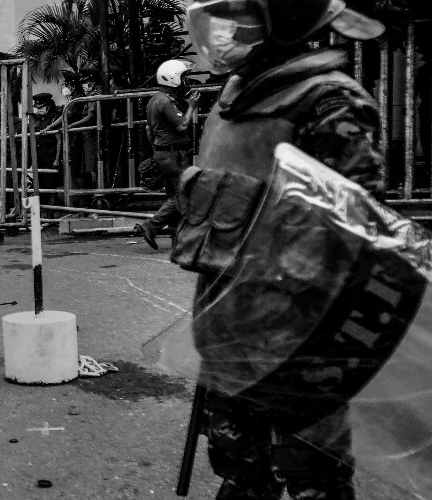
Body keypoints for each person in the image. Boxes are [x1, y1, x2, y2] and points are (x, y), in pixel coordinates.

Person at [180, 0, 387, 498]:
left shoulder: (328, 102)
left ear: (286, 21)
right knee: (239, 466)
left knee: (311, 472)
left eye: (239, 18)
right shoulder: (234, 96)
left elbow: (353, 229)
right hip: (228, 321)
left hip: (297, 333)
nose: (223, 32)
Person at [134, 60, 201, 250]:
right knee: (182, 194)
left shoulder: (155, 99)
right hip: (173, 155)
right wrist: (192, 106)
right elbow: (182, 125)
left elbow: (149, 130)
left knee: (174, 194)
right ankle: (150, 226)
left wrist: (157, 151)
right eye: (183, 78)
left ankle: (176, 237)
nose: (186, 82)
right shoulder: (165, 101)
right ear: (172, 79)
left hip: (165, 153)